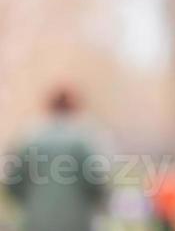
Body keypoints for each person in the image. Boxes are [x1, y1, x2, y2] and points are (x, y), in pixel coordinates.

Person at [1, 87, 108, 231]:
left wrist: (30, 202)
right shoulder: (84, 141)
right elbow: (97, 184)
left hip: (36, 222)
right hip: (76, 222)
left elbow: (12, 183)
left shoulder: (29, 139)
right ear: (74, 107)